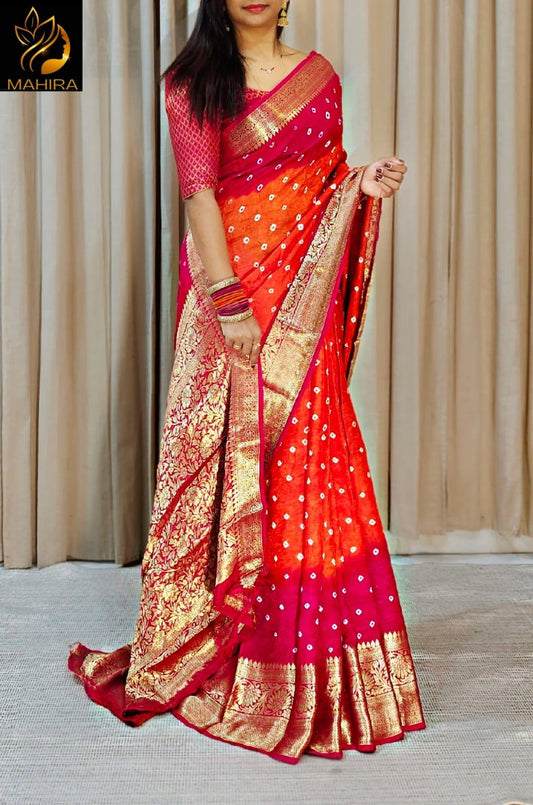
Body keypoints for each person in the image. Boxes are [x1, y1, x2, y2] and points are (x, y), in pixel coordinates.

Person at [68, 0, 426, 764]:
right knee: (228, 464)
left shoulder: (318, 78)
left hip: (302, 297)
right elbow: (199, 196)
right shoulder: (192, 81)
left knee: (306, 458)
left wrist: (363, 183)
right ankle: (221, 644)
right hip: (232, 297)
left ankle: (310, 655)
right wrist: (228, 302)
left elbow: (324, 184)